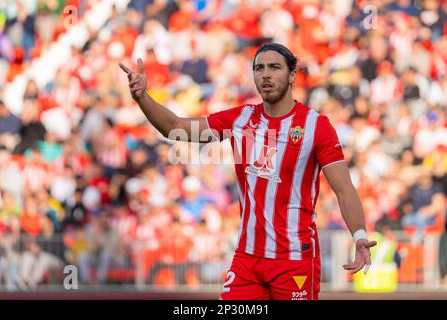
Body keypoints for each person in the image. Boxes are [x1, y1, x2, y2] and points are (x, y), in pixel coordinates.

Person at [119, 42, 377, 300]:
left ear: (291, 75)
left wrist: (360, 236)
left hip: (294, 260)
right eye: (259, 68)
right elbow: (174, 127)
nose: (265, 74)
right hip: (248, 259)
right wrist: (142, 97)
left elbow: (344, 189)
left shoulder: (315, 126)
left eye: (274, 67)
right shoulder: (241, 120)